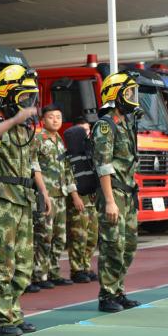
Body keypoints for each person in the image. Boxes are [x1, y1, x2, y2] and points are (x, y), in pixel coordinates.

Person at [0, 64, 50, 336]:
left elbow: (32, 162)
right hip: (1, 201)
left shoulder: (25, 128)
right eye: (24, 96)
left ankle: (13, 313)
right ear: (8, 94)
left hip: (23, 200)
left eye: (31, 96)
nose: (29, 102)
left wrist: (43, 192)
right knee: (0, 262)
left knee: (23, 264)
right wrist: (15, 119)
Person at [92, 71, 142, 313]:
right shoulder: (105, 125)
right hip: (113, 193)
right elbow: (103, 165)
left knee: (128, 245)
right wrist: (110, 201)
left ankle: (118, 290)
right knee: (113, 244)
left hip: (128, 194)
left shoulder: (126, 124)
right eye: (129, 93)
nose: (133, 97)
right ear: (116, 95)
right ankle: (107, 295)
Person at [30, 105, 83, 290]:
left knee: (60, 237)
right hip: (45, 196)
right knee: (44, 236)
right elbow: (34, 166)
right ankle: (39, 275)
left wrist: (74, 195)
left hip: (61, 195)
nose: (55, 120)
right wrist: (43, 192)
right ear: (43, 120)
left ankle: (53, 272)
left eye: (58, 117)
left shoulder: (60, 141)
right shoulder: (37, 139)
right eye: (51, 117)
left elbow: (67, 170)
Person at [66, 117, 99, 283]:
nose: (85, 134)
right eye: (81, 131)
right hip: (79, 200)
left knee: (92, 236)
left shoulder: (90, 151)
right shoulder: (69, 155)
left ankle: (86, 266)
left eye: (87, 130)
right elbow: (68, 177)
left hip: (92, 200)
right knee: (78, 236)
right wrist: (75, 197)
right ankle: (76, 269)